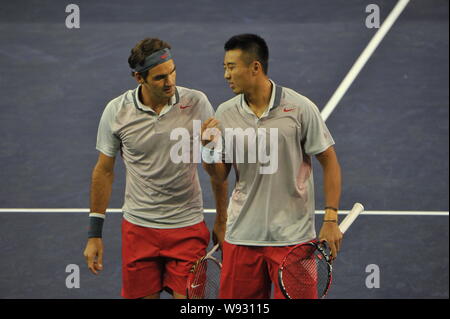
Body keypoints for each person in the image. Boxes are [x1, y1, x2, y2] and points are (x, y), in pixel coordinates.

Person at [201, 34, 342, 299]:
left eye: (231, 67)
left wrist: (331, 218)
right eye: (224, 68)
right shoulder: (225, 113)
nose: (226, 75)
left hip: (293, 239)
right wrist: (206, 151)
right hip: (242, 235)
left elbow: (330, 161)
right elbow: (220, 174)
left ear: (255, 67)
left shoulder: (299, 109)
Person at [83, 38, 215, 299]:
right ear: (138, 78)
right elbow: (104, 171)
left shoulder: (197, 103)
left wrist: (213, 149)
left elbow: (217, 167)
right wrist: (94, 234)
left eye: (172, 72)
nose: (170, 82)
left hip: (186, 227)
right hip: (139, 229)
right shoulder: (116, 111)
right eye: (159, 77)